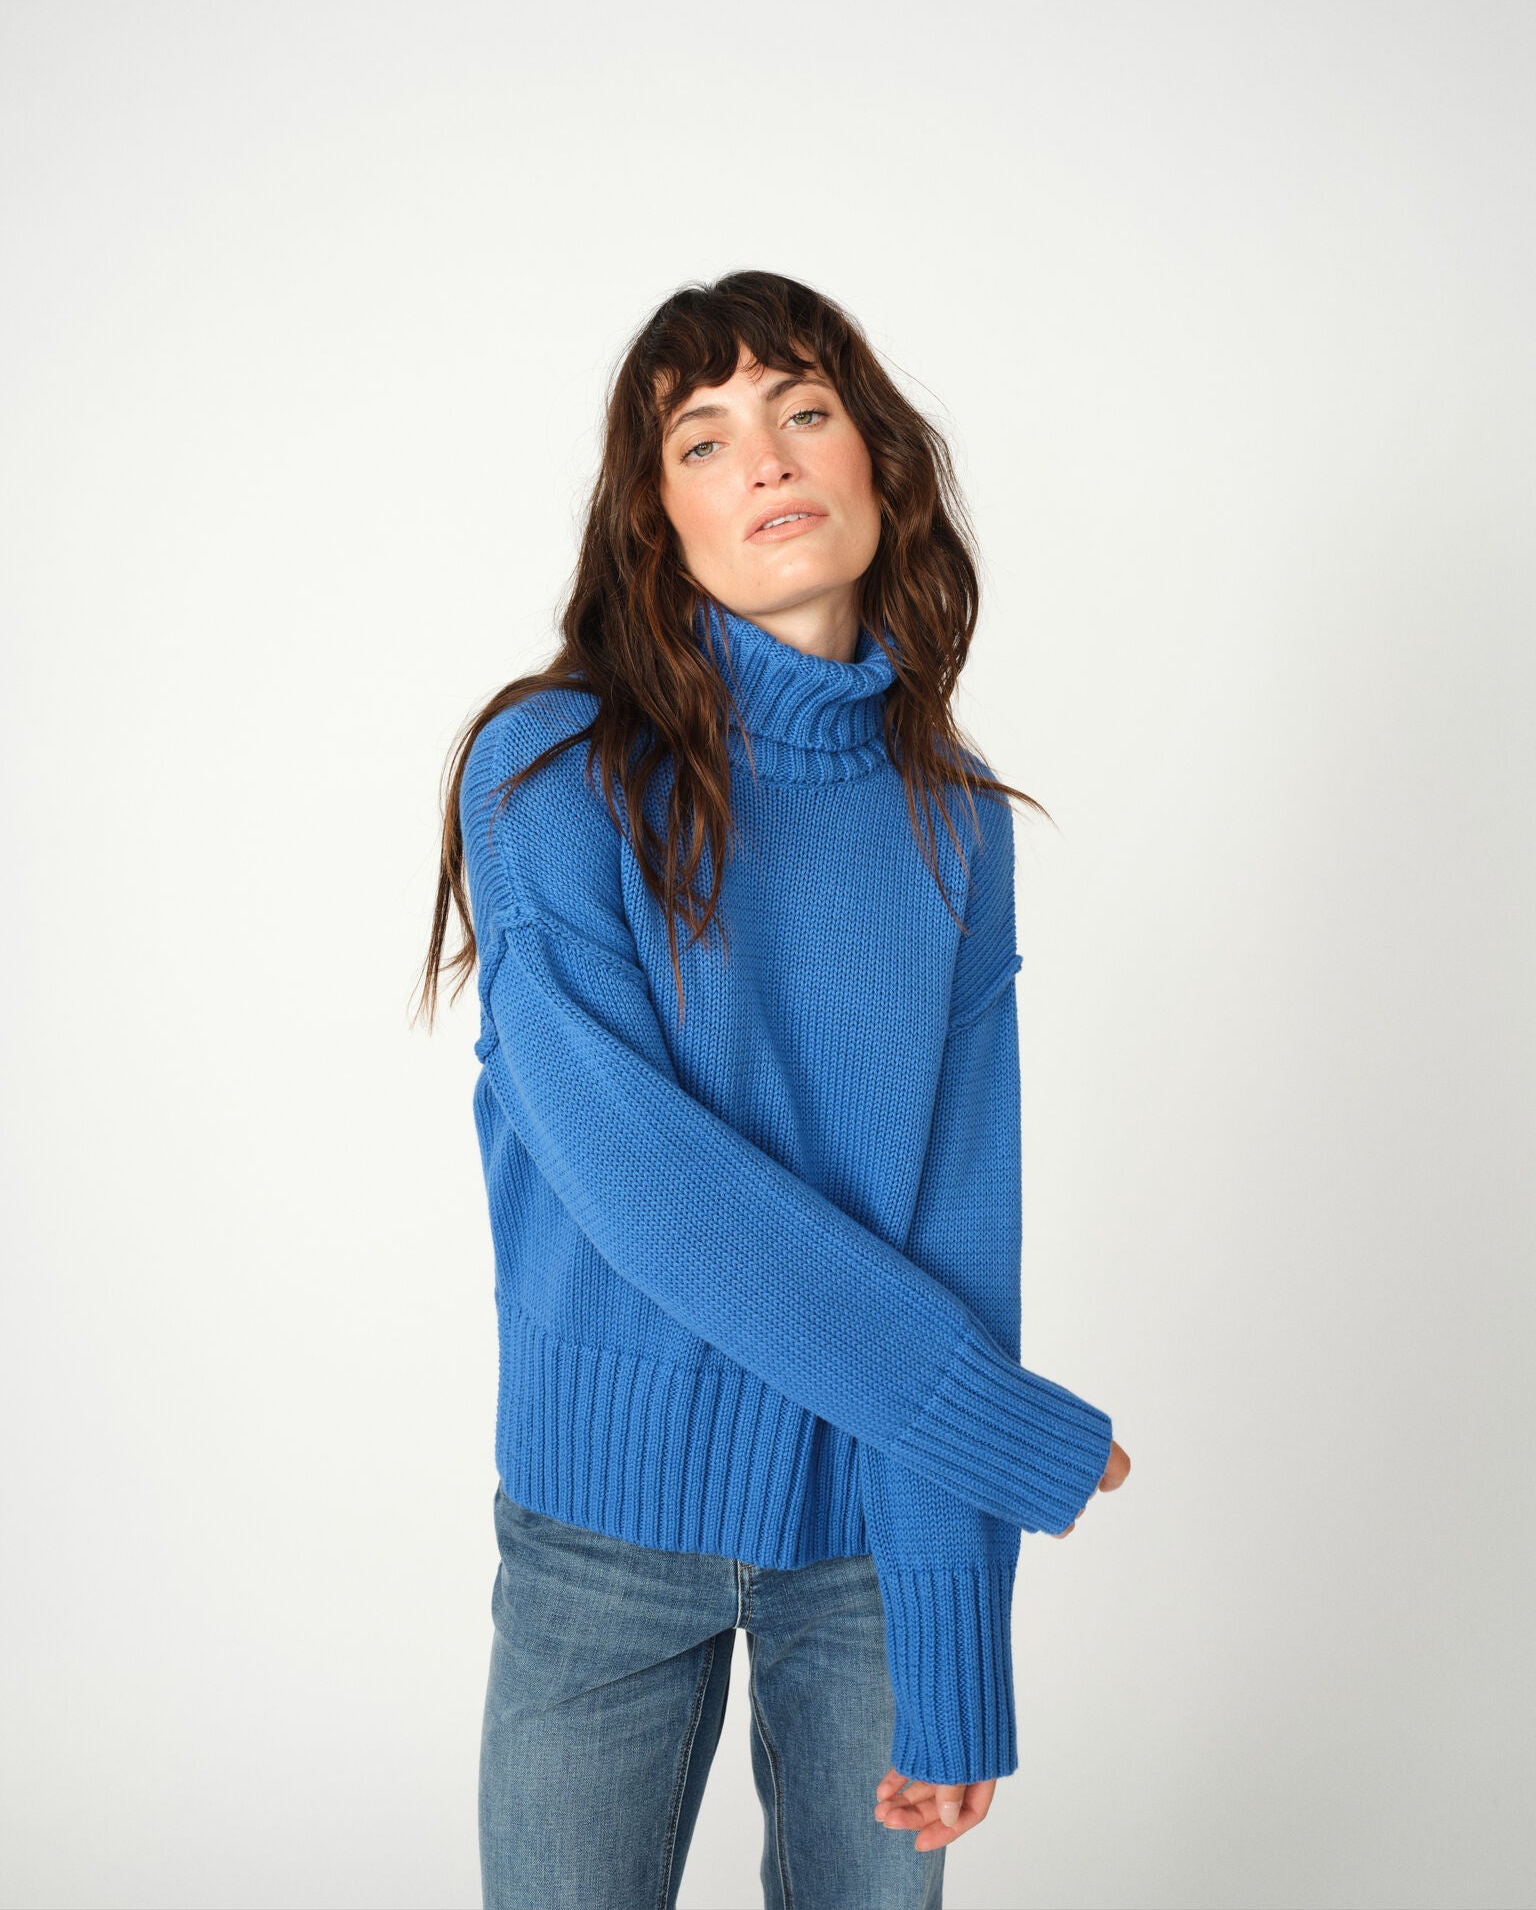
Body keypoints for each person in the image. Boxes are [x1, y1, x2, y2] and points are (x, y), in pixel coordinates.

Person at [414, 269, 1130, 1910]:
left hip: (875, 1539)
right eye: (704, 437)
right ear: (655, 520)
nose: (767, 457)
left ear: (879, 462)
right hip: (606, 1530)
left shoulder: (956, 822)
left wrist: (952, 1638)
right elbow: (640, 1184)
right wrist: (991, 1423)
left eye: (805, 410)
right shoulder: (548, 769)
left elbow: (961, 1229)